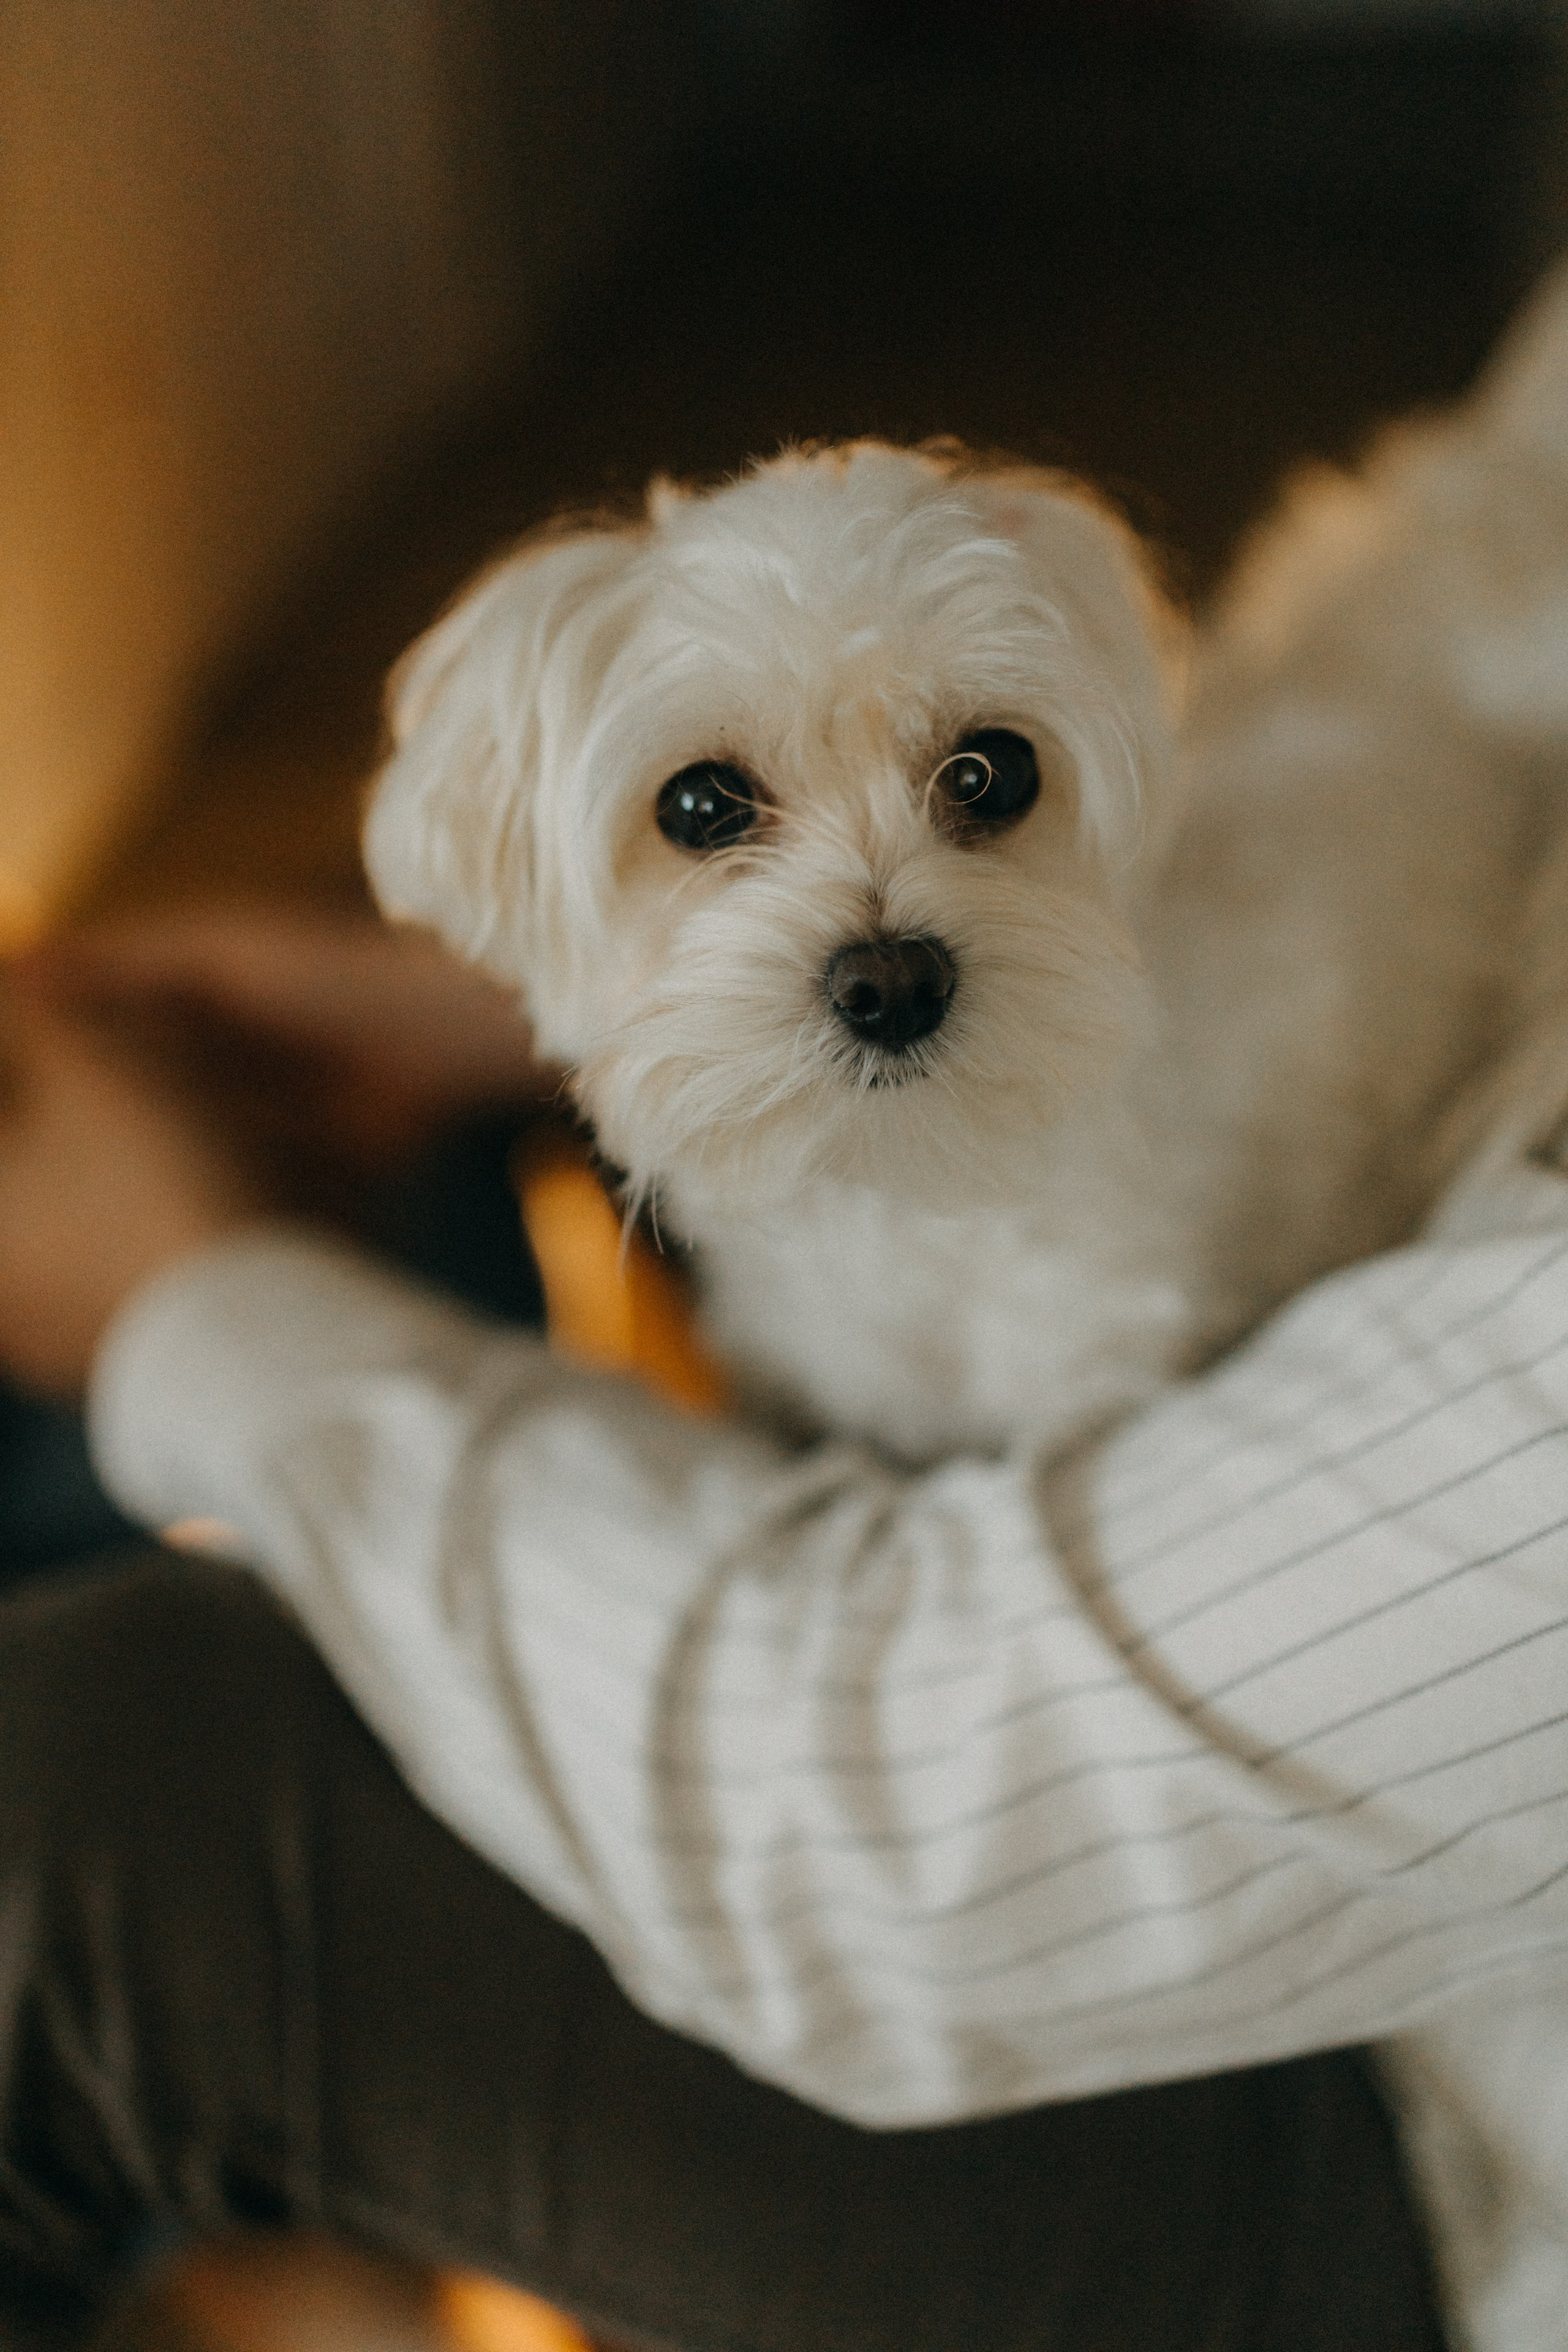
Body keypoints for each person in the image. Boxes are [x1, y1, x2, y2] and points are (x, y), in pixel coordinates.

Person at [4, 885, 1568, 2352]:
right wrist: (608, 1018)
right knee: (442, 1224)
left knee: (84, 1821)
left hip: (1417, 2146)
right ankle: (253, 2257)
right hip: (1300, 1437)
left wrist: (179, 1295)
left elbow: (898, 1825)